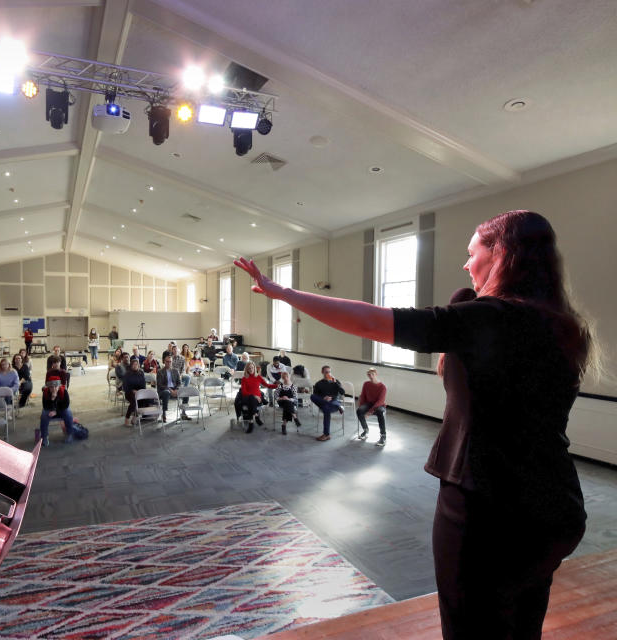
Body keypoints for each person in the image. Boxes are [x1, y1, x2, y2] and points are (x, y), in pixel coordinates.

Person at [235, 210, 594, 640]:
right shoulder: (566, 326)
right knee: (521, 626)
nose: (466, 264)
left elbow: (372, 321)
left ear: (502, 254)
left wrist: (284, 293)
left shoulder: (489, 317)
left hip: (488, 508)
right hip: (556, 507)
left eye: (471, 252)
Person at [38, 355, 72, 446]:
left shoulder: (63, 391)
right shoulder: (46, 392)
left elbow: (65, 404)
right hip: (51, 407)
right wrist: (52, 397)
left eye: (57, 362)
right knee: (44, 415)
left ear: (60, 363)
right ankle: (44, 437)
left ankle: (69, 433)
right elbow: (46, 406)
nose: (56, 364)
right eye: (54, 362)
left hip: (60, 405)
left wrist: (55, 411)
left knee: (68, 413)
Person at [234, 361, 275, 433]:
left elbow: (267, 385)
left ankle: (251, 423)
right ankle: (256, 416)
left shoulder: (258, 377)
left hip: (256, 399)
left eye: (252, 367)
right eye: (249, 368)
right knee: (251, 398)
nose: (251, 369)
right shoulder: (244, 378)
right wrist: (254, 396)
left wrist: (278, 386)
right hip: (247, 397)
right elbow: (244, 392)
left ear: (254, 368)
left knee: (252, 400)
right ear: (246, 369)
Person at [311, 365, 344, 442]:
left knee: (326, 409)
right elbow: (315, 396)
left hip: (333, 401)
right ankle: (339, 406)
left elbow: (342, 392)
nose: (328, 374)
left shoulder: (335, 381)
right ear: (322, 372)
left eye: (329, 372)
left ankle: (326, 435)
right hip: (323, 402)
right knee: (312, 396)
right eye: (326, 372)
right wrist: (324, 398)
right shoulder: (319, 383)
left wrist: (336, 383)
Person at [357, 367, 388, 445]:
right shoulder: (366, 384)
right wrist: (362, 407)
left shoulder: (382, 387)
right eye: (369, 374)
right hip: (369, 403)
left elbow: (380, 401)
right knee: (359, 410)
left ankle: (383, 436)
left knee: (380, 412)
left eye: (372, 374)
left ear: (376, 374)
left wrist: (369, 412)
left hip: (379, 405)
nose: (371, 376)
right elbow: (363, 396)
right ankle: (365, 430)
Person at [155, 355, 185, 423]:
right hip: (163, 390)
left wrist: (177, 389)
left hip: (174, 390)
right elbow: (160, 385)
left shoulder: (175, 371)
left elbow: (179, 383)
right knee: (166, 392)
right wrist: (170, 390)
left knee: (185, 392)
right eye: (167, 362)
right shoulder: (160, 371)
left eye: (170, 362)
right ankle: (164, 413)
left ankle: (183, 413)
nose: (169, 363)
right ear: (164, 362)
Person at [122, 357, 146, 427]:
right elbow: (125, 386)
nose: (135, 366)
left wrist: (139, 391)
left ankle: (134, 418)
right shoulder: (127, 374)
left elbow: (143, 384)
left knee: (144, 400)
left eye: (137, 364)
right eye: (134, 364)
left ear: (139, 365)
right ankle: (127, 419)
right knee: (134, 402)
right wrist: (132, 390)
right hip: (129, 392)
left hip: (139, 392)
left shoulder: (141, 373)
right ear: (131, 365)